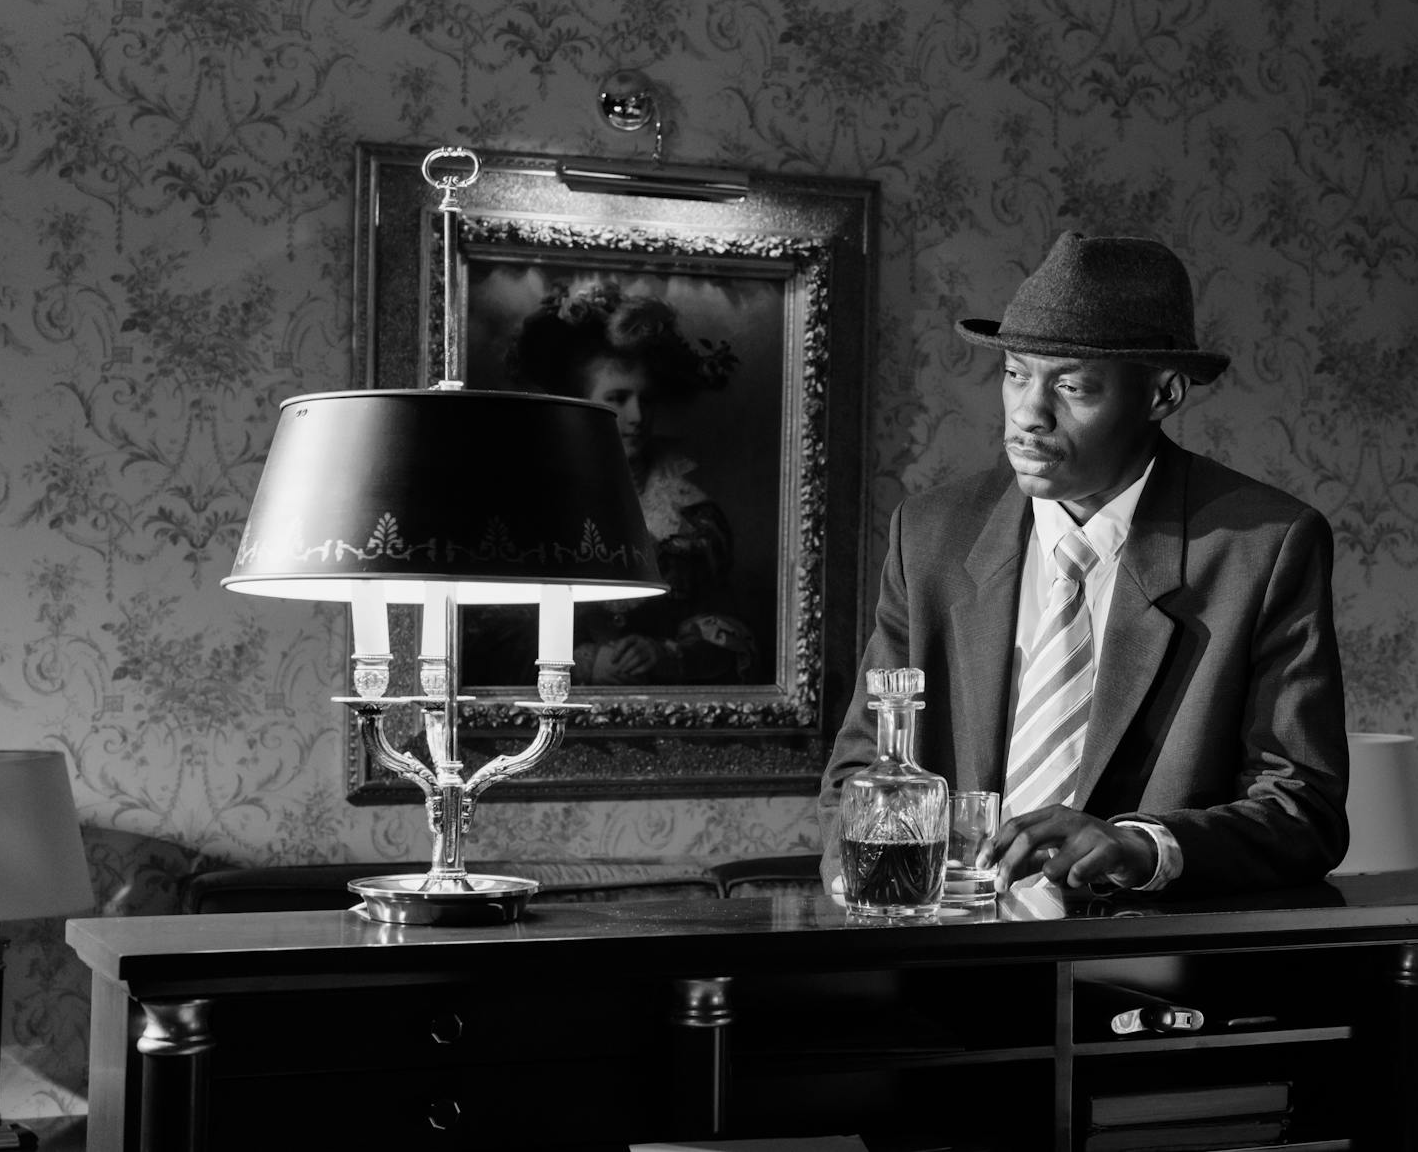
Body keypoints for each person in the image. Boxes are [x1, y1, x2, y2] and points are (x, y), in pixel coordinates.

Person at [819, 232, 1349, 897]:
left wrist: (1140, 844)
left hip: (1151, 974)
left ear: (1163, 394)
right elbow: (861, 766)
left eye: (1070, 384)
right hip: (943, 968)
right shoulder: (931, 537)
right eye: (1015, 372)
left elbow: (1303, 809)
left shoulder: (1263, 547)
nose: (1028, 414)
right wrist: (857, 872)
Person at [468, 281, 756, 686]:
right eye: (618, 398)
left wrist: (666, 654)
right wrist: (584, 664)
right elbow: (483, 643)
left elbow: (732, 637)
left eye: (646, 399)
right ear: (578, 405)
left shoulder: (696, 521)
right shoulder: (522, 512)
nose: (637, 416)